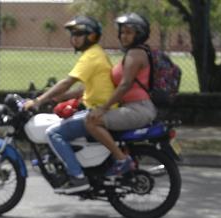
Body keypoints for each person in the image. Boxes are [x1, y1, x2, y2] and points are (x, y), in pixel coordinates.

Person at [22, 15, 114, 194]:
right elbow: (85, 88)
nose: (74, 38)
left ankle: (77, 177)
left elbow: (67, 82)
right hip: (97, 108)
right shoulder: (96, 53)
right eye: (73, 34)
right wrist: (61, 97)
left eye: (79, 34)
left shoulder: (91, 56)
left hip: (97, 112)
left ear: (92, 36)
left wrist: (38, 101)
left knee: (53, 133)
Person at [85, 13, 157, 177]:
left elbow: (125, 85)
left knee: (91, 121)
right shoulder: (135, 52)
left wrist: (103, 108)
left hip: (137, 109)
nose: (123, 36)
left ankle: (121, 160)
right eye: (122, 32)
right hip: (135, 107)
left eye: (129, 32)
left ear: (139, 34)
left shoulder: (135, 54)